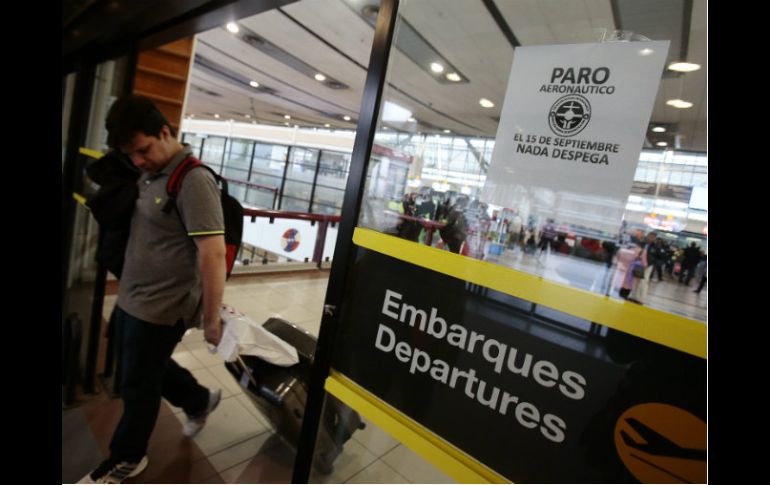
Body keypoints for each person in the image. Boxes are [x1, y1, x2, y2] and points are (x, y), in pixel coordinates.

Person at [80, 95, 226, 484]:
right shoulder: (148, 172)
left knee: (136, 384)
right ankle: (198, 400)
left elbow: (212, 255)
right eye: (132, 156)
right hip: (132, 296)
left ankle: (128, 457)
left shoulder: (194, 180)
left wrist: (212, 319)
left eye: (143, 150)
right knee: (140, 369)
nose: (139, 161)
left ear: (165, 132)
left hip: (163, 307)